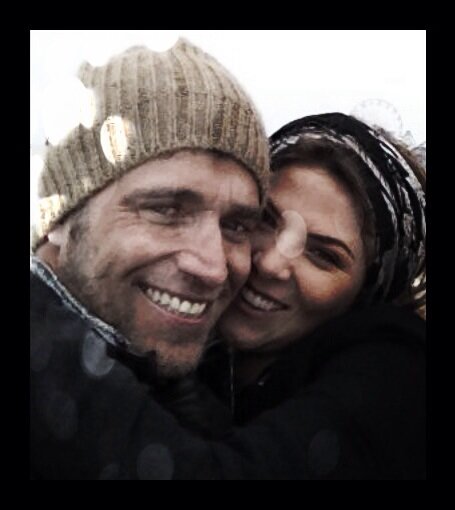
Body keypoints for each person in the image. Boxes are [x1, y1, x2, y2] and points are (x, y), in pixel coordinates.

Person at [30, 39, 270, 479]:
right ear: (60, 216)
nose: (213, 267)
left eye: (237, 225)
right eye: (166, 210)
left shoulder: (200, 396)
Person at [199, 112, 426, 479]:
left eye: (322, 255)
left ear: (367, 292)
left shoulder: (392, 377)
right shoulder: (188, 343)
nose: (271, 264)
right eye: (266, 219)